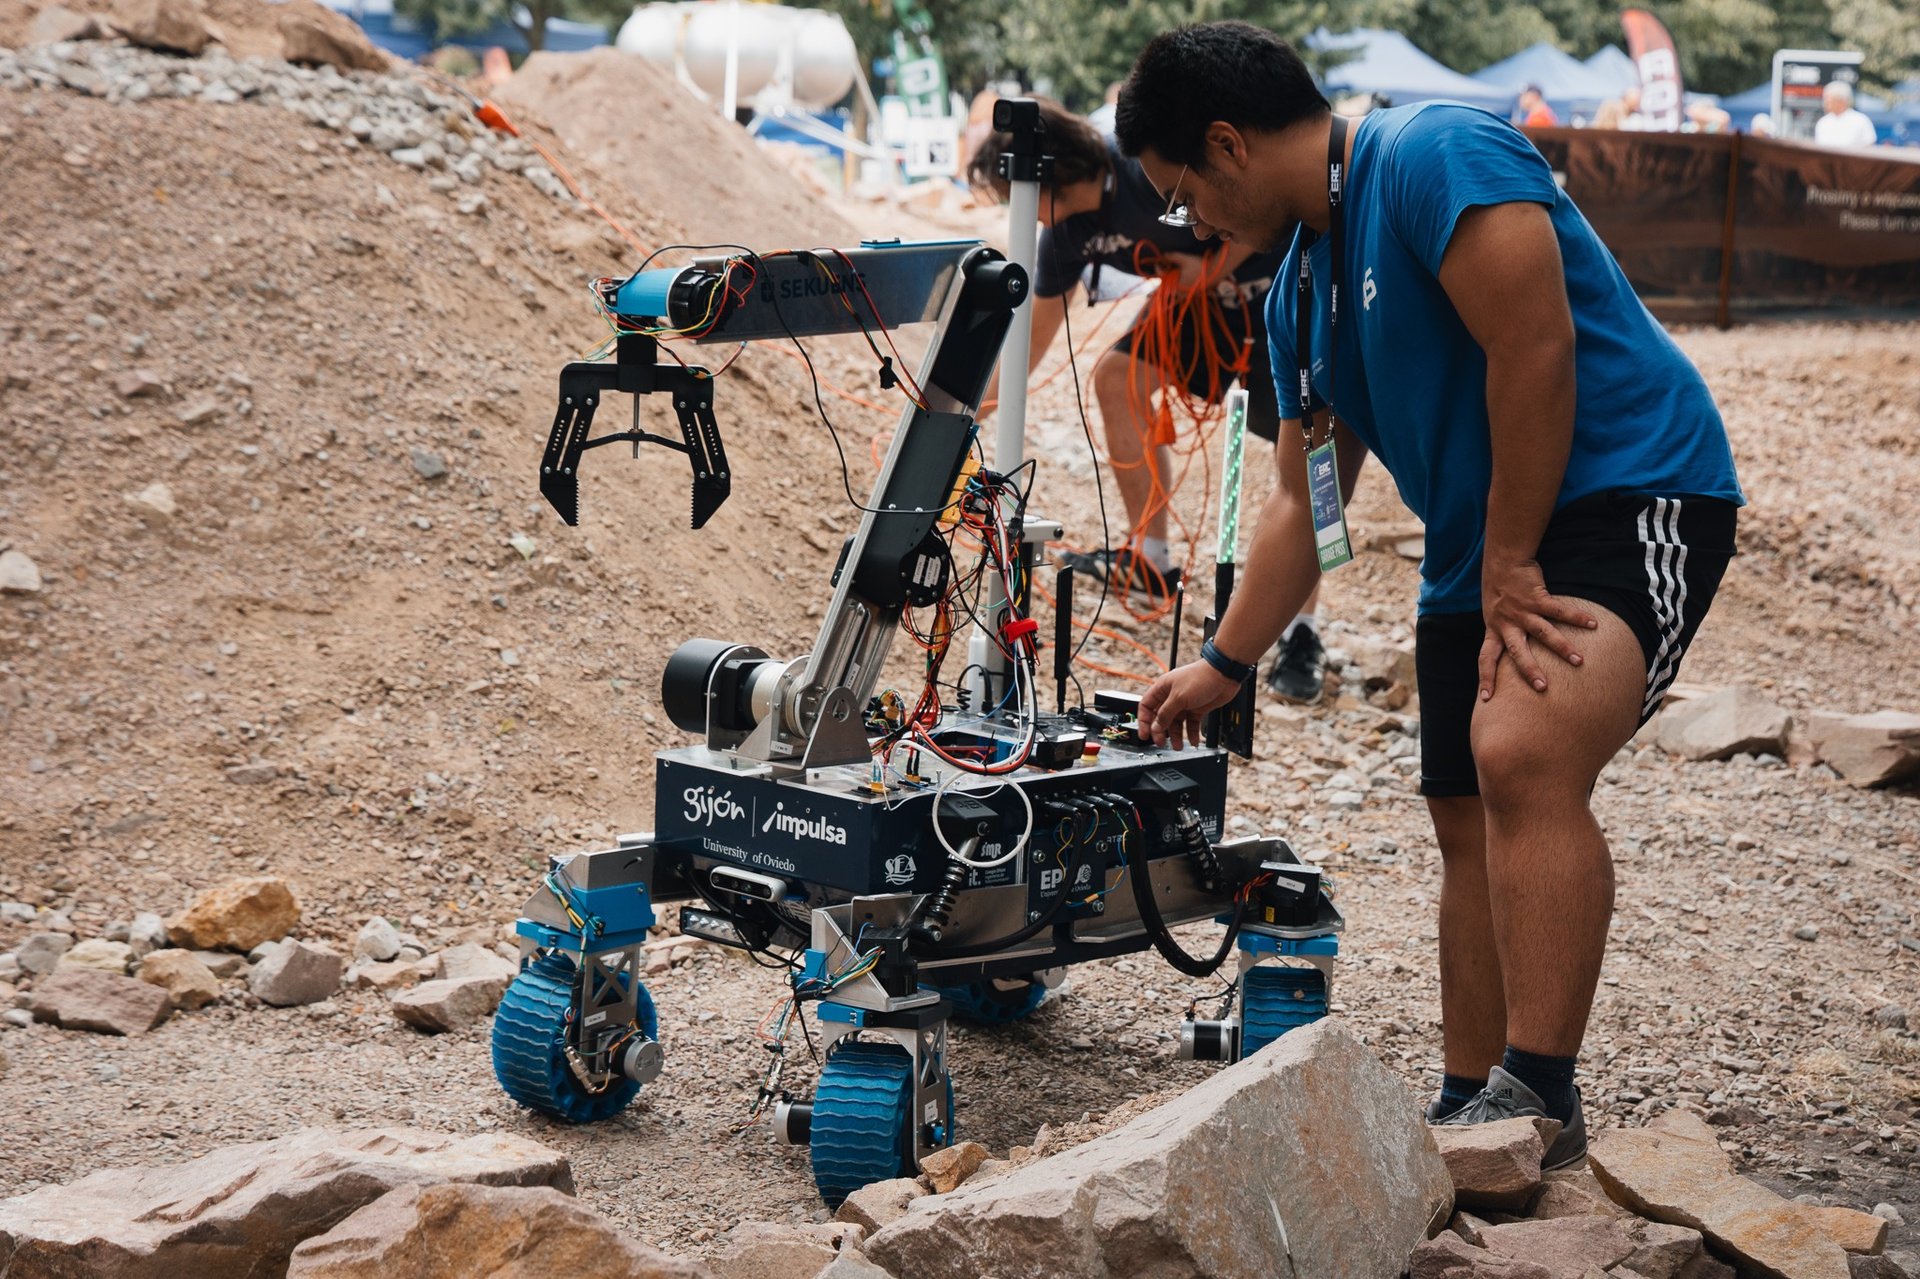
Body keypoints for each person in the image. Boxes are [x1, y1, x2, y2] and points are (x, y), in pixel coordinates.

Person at [1116, 22, 1743, 1167]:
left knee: (1521, 749)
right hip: (1477, 541)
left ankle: (1539, 1098)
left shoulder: (1431, 151)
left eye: (1181, 193)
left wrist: (1511, 562)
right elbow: (1311, 508)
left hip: (1626, 491)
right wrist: (1225, 659)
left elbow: (1535, 345)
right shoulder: (1293, 296)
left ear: (1225, 143)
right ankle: (1475, 1102)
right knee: (1462, 812)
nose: (1187, 224)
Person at [970, 97, 1331, 702]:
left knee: (1310, 455)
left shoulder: (1146, 164)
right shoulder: (1065, 234)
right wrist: (962, 413)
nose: (1024, 213)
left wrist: (1212, 269)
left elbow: (1256, 201)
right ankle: (1153, 558)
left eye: (1023, 194)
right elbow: (1032, 339)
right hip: (1193, 308)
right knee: (1117, 378)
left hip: (1280, 294)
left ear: (1050, 173)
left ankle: (1301, 631)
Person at [1814, 81, 1878, 149]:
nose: (1825, 103)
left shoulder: (1861, 120)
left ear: (1840, 100)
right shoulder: (1823, 122)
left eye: (1828, 99)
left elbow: (1870, 146)